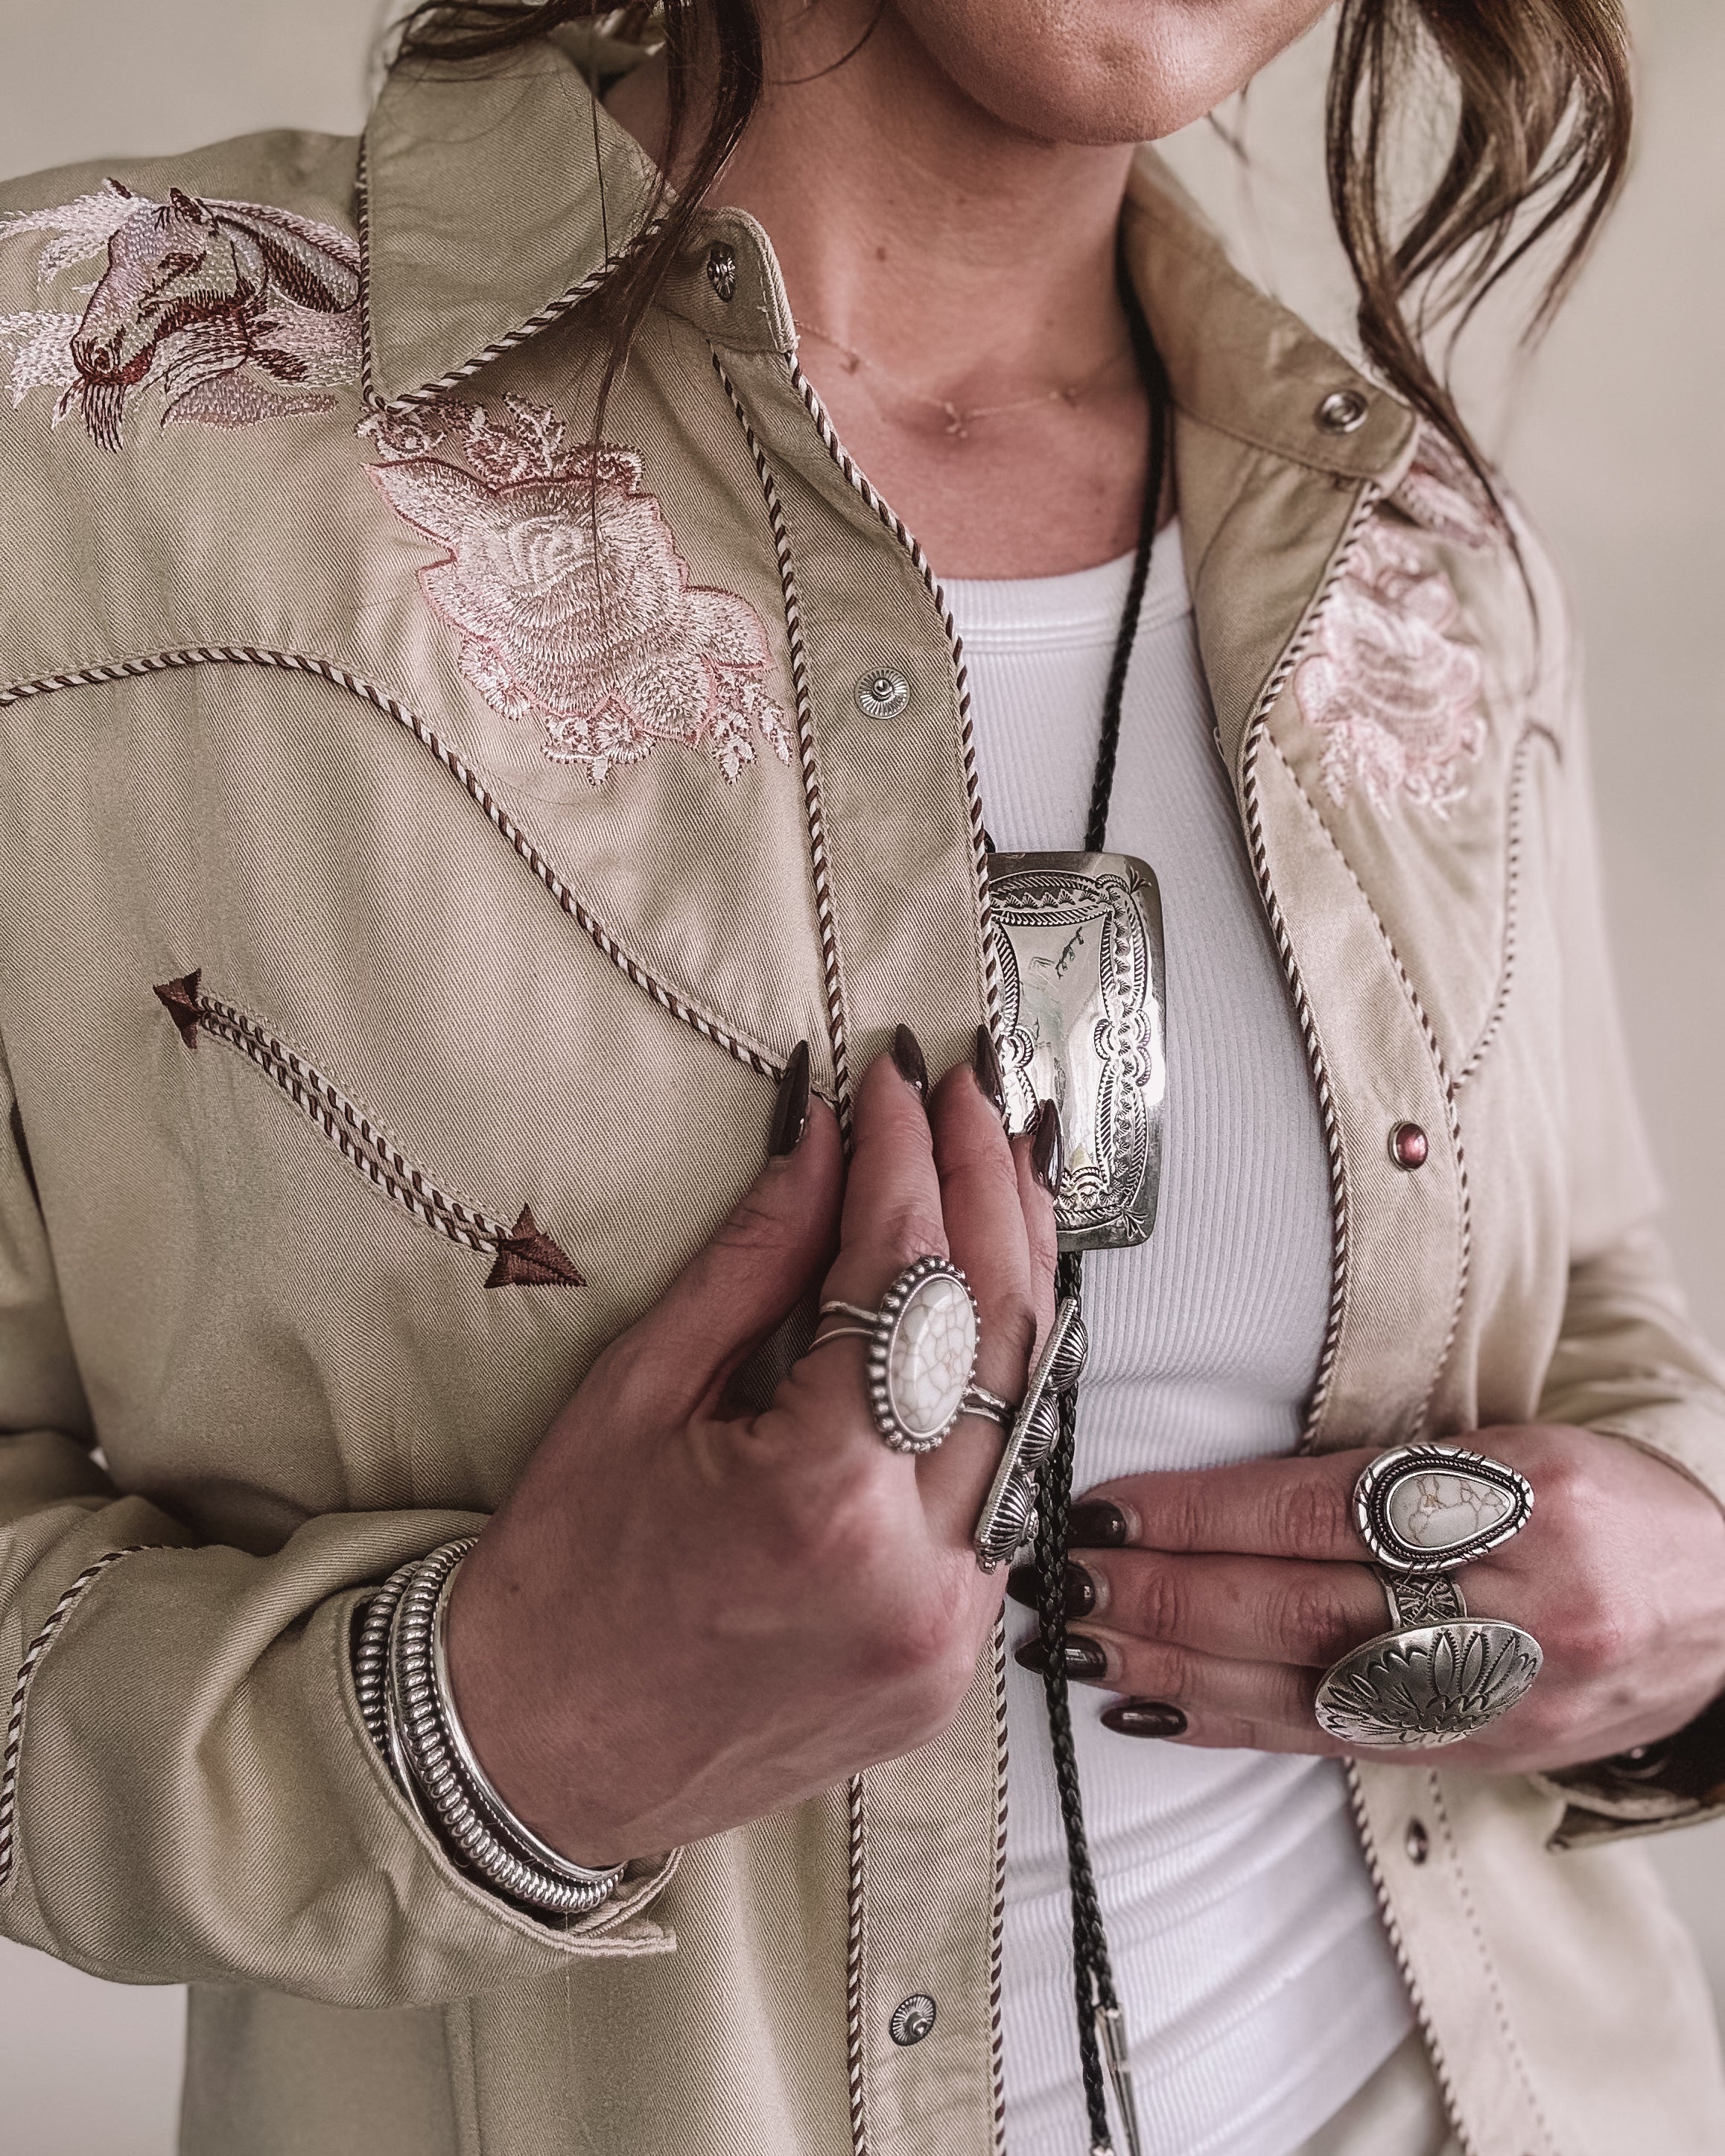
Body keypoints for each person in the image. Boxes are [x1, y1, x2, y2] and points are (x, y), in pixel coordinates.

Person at [1, 1, 1723, 2152]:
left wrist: (1679, 1609)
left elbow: (1605, 1304)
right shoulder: (93, 407)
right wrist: (490, 1729)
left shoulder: (1412, 542)